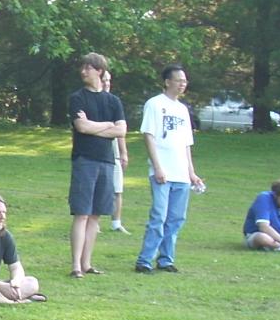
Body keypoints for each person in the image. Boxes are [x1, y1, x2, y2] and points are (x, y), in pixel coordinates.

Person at [134, 63, 204, 274]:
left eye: (185, 81)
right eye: (178, 80)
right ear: (167, 82)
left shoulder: (182, 110)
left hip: (181, 173)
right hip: (163, 171)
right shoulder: (155, 104)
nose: (182, 84)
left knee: (176, 218)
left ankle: (166, 259)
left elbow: (186, 144)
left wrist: (191, 172)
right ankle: (145, 259)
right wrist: (157, 167)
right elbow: (149, 136)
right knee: (159, 216)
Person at [67, 52, 125, 279]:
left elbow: (121, 130)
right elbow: (81, 127)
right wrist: (107, 125)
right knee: (82, 213)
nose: (83, 71)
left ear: (99, 71)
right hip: (84, 160)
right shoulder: (77, 98)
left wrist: (95, 126)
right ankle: (75, 265)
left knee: (95, 215)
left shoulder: (113, 101)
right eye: (82, 67)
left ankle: (87, 263)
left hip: (106, 162)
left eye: (88, 68)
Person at [102, 68, 131, 234]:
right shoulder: (91, 101)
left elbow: (120, 131)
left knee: (117, 189)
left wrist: (123, 153)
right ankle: (94, 223)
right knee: (98, 189)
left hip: (114, 152)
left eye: (109, 80)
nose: (107, 83)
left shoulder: (114, 102)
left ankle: (116, 223)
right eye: (104, 80)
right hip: (97, 151)